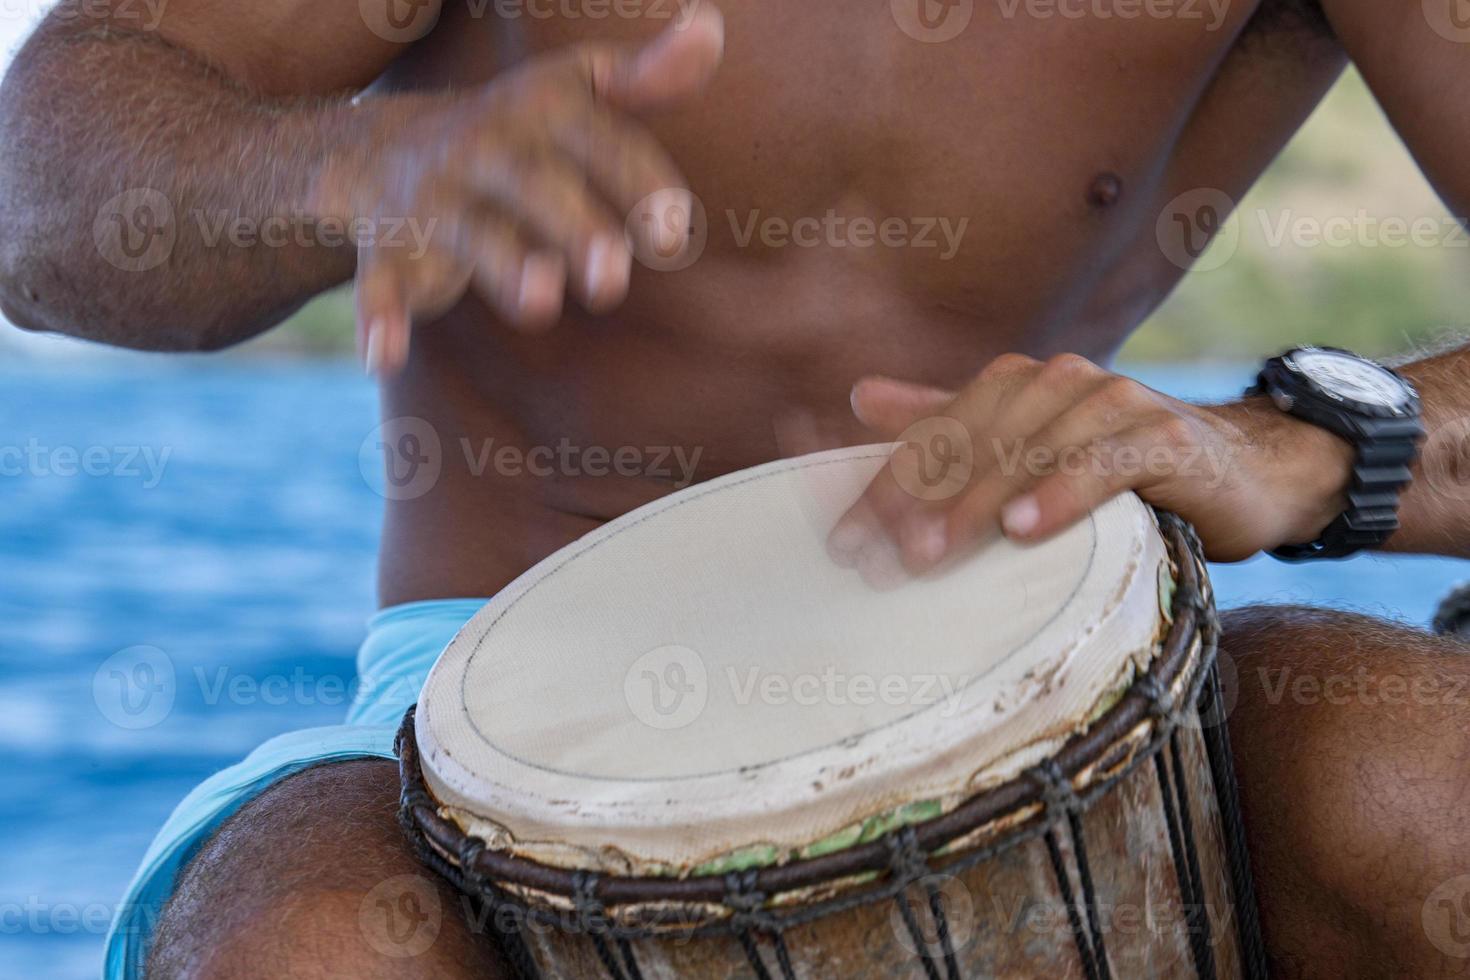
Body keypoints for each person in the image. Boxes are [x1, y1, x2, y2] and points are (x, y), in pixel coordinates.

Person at [2, 1, 1468, 976]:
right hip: (475, 678)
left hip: (1083, 672)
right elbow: (34, 203)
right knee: (311, 943)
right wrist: (331, 166)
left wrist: (1315, 442)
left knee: (1423, 803)